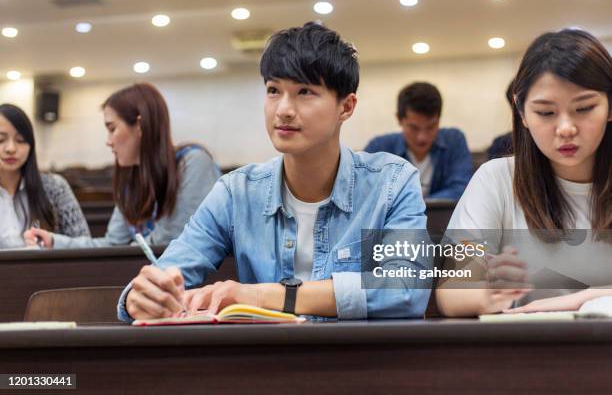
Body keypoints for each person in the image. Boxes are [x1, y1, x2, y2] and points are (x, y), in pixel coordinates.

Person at [118, 22, 431, 322]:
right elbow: (171, 271)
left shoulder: (392, 182)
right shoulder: (235, 192)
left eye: (304, 92)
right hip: (264, 367)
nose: (283, 109)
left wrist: (261, 296)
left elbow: (406, 289)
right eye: (273, 90)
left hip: (363, 364)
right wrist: (140, 298)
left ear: (346, 107)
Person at [436, 29, 612, 317]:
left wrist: (588, 298)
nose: (566, 128)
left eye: (584, 108)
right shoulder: (495, 179)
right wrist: (487, 295)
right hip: (527, 355)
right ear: (522, 113)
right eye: (546, 112)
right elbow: (454, 292)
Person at [24, 83, 220, 248]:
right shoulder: (130, 181)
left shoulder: (193, 163)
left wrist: (130, 252)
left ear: (140, 126)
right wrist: (54, 242)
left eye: (112, 129)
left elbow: (173, 241)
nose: (108, 141)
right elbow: (113, 245)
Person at [0, 104, 90, 248]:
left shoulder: (55, 187)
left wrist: (53, 242)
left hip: (48, 270)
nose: (11, 148)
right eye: (1, 140)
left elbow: (85, 243)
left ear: (31, 145)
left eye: (21, 140)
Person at [364, 82, 472, 200]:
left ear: (439, 119)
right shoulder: (379, 148)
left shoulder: (454, 140)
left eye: (431, 127)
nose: (422, 137)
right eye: (414, 128)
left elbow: (460, 191)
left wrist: (406, 206)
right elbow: (364, 192)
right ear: (399, 119)